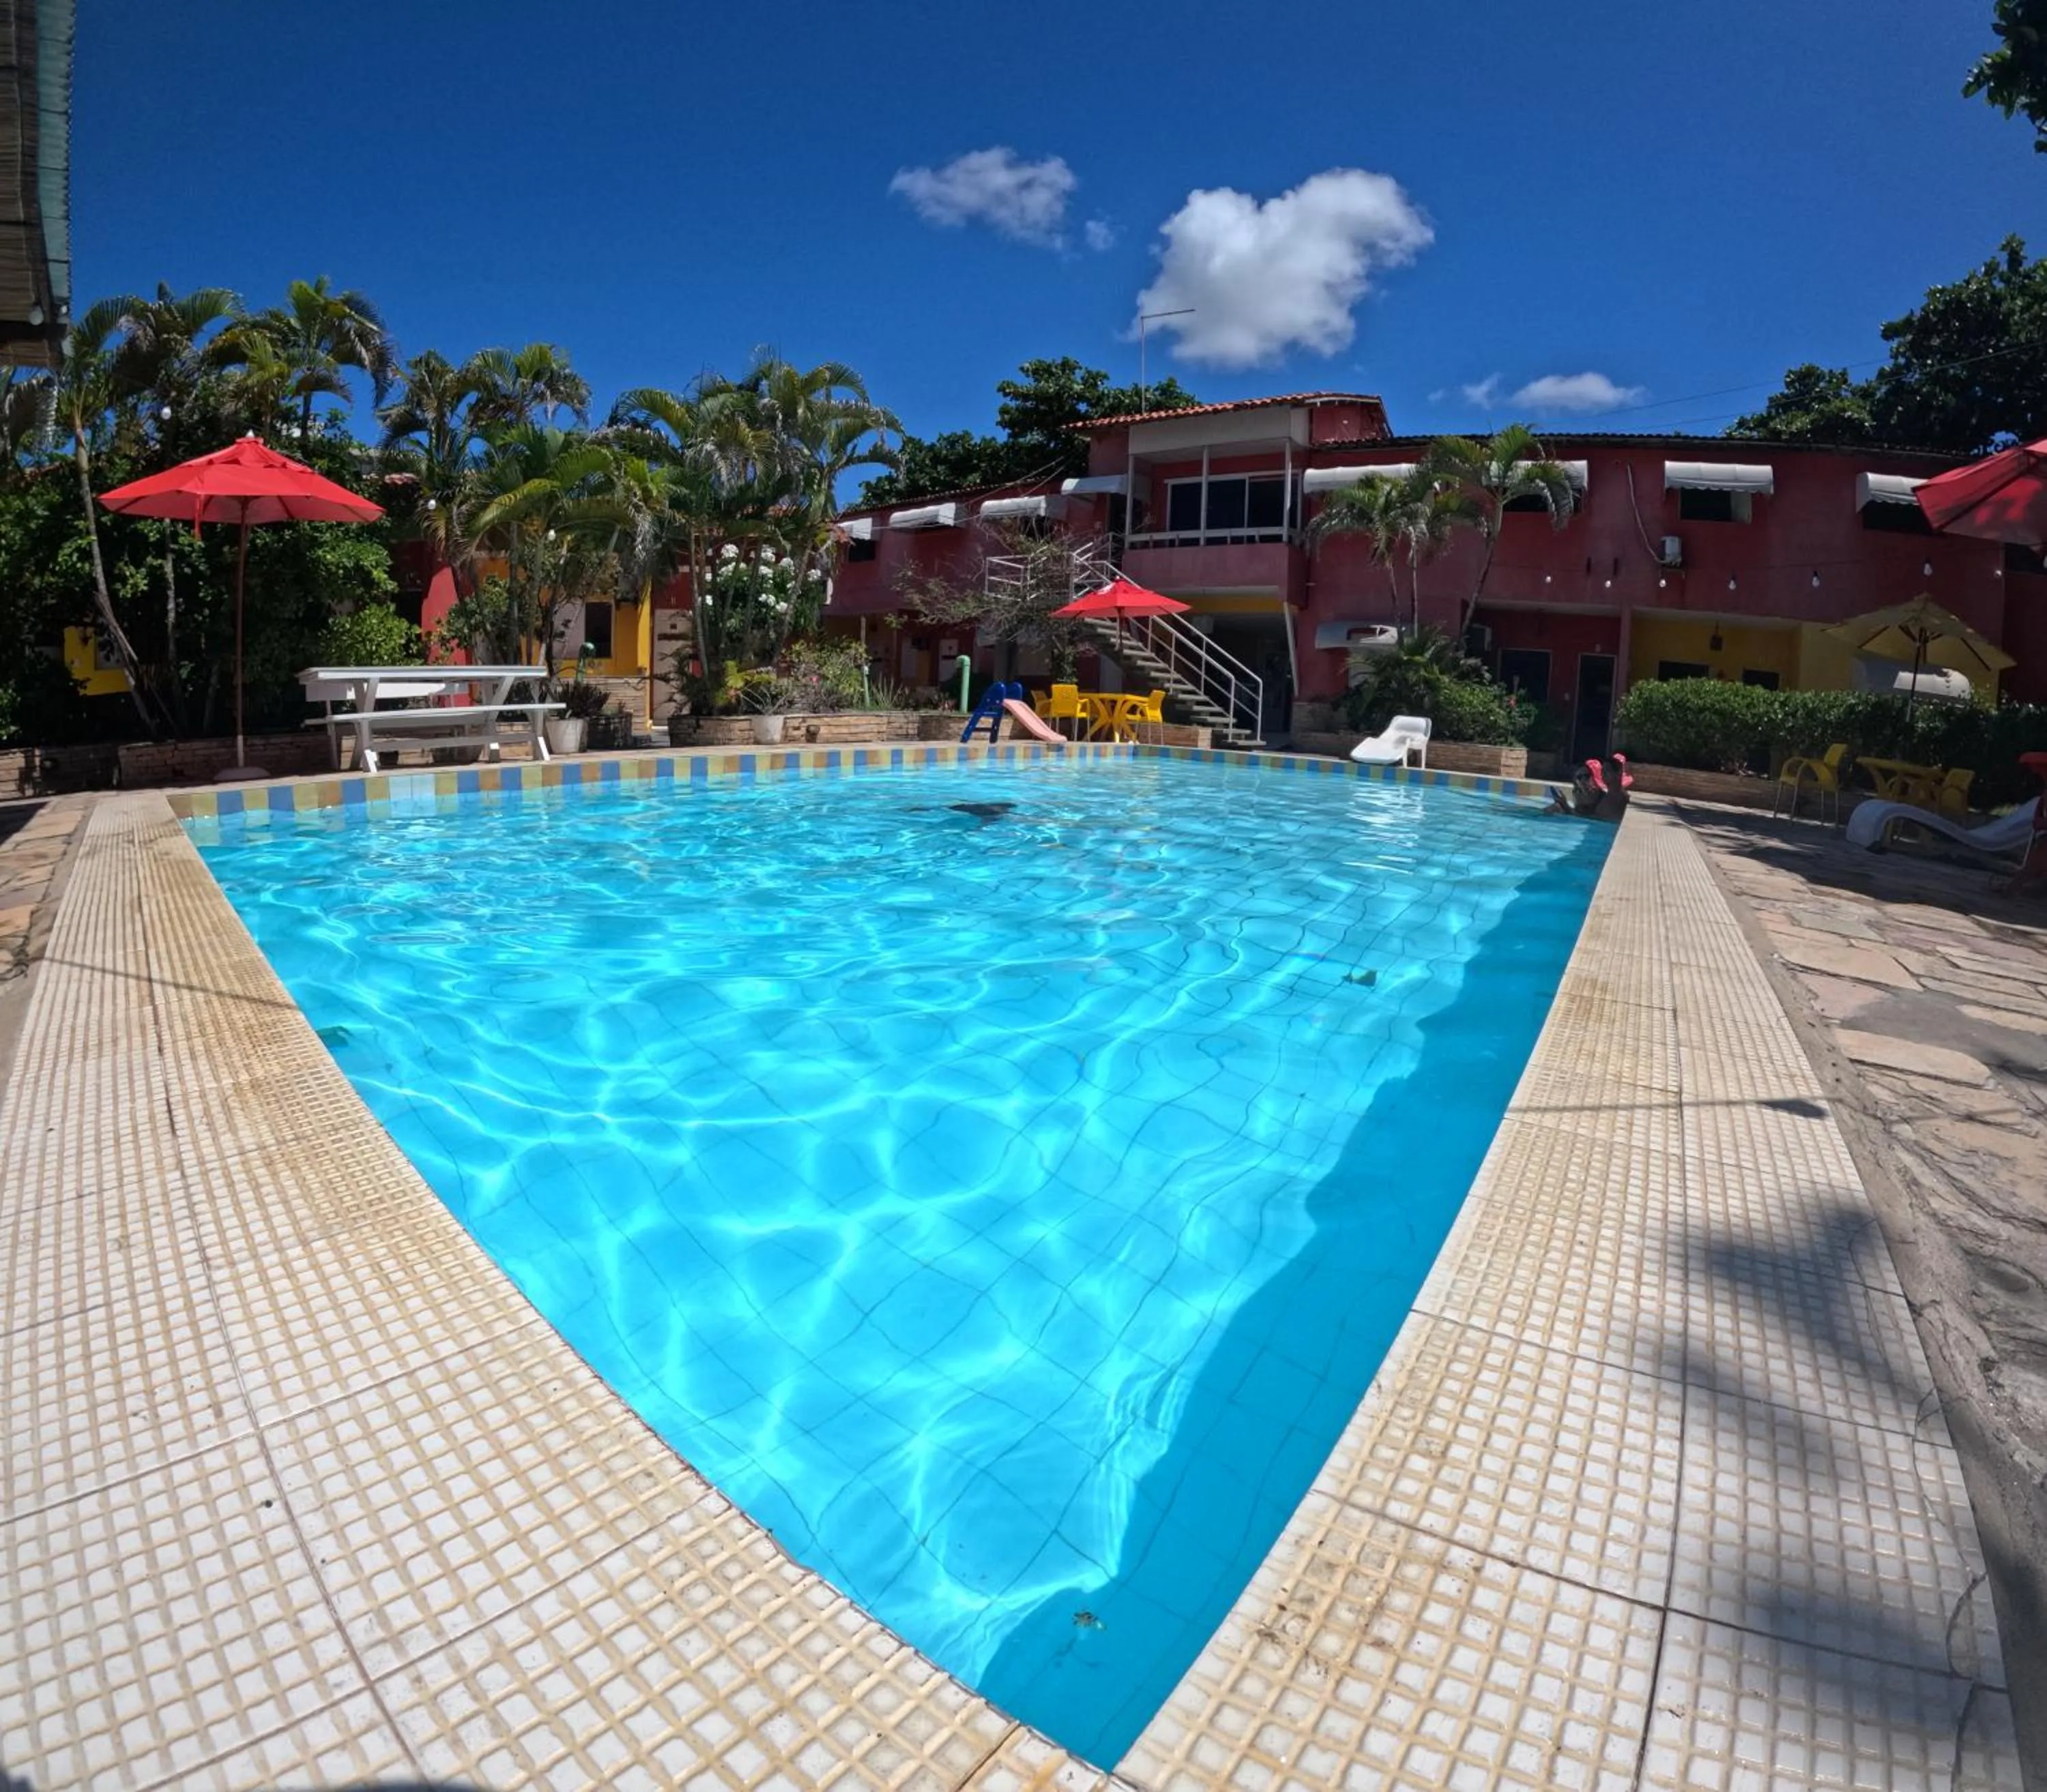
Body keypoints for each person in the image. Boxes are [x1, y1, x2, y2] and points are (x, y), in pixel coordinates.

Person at [1547, 753, 1631, 822]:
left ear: (1619, 773)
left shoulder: (1616, 797)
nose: (1603, 775)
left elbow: (1595, 819)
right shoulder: (1609, 796)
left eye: (1606, 771)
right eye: (1602, 772)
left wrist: (1566, 807)